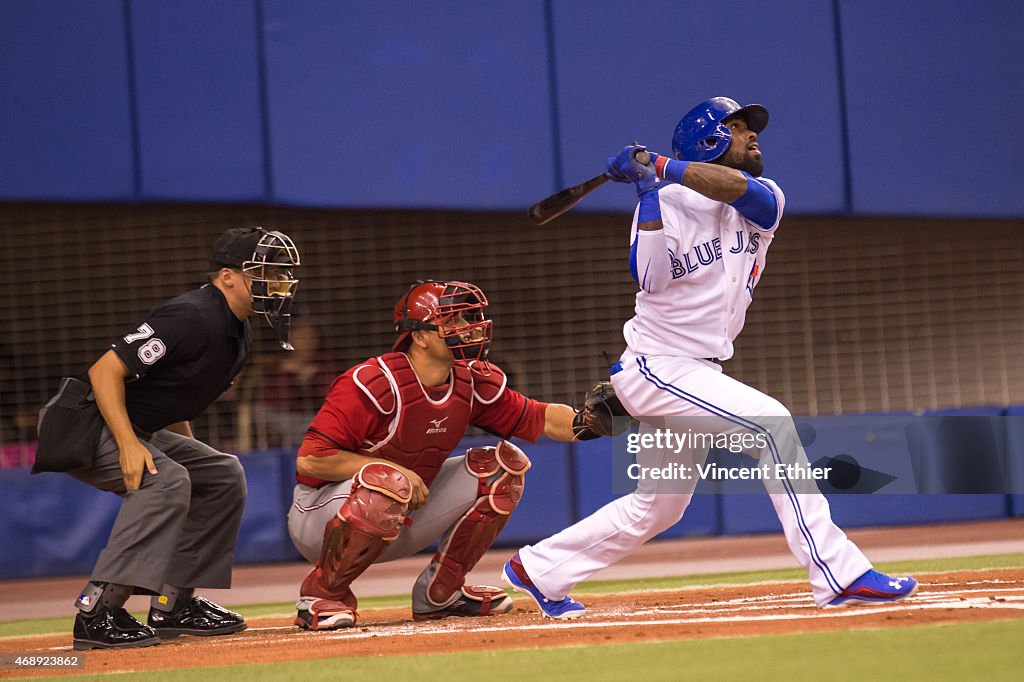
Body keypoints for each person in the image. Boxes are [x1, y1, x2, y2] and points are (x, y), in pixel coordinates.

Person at [501, 97, 918, 617]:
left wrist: (654, 165)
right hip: (658, 364)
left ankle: (537, 568)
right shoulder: (665, 204)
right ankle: (839, 574)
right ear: (706, 140)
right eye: (737, 127)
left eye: (749, 128)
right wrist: (651, 194)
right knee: (773, 426)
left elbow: (739, 191)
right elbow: (649, 280)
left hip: (696, 369)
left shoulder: (765, 196)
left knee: (657, 507)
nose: (752, 136)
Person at [34, 226, 300, 650]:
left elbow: (175, 403)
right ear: (227, 276)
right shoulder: (192, 315)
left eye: (279, 275)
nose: (275, 284)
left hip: (131, 423)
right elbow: (105, 371)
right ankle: (97, 610)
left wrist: (192, 453)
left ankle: (173, 604)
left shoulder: (238, 329)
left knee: (221, 472)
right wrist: (127, 444)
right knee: (165, 479)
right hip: (83, 420)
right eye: (264, 273)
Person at [287, 280, 603, 629]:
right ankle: (322, 595)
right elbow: (312, 460)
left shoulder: (471, 382)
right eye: (453, 321)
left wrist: (597, 420)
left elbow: (539, 417)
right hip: (321, 517)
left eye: (469, 319)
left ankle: (442, 594)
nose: (468, 329)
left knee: (501, 468)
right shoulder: (373, 381)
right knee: (385, 482)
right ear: (419, 336)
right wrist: (391, 469)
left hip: (400, 508)